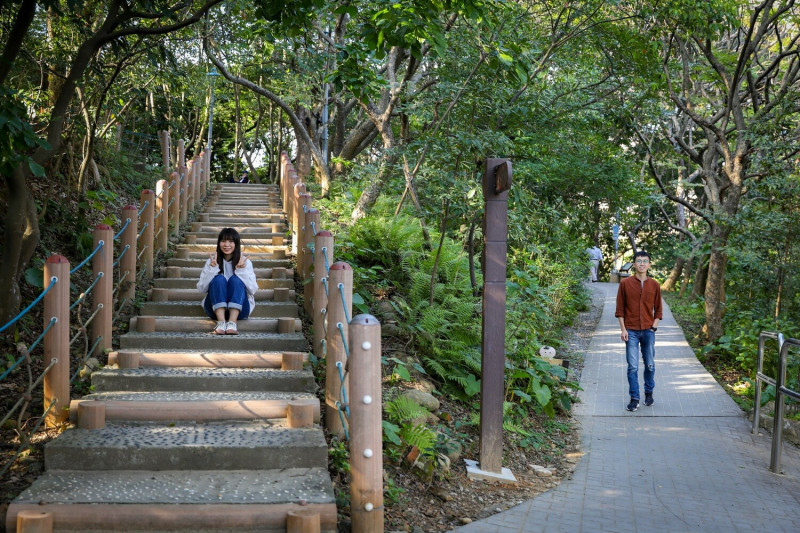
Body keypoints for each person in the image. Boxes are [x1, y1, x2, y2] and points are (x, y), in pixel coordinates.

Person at [615, 250, 663, 412]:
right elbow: (620, 310)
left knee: (649, 365)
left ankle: (649, 393)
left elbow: (659, 309)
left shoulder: (655, 285)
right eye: (639, 261)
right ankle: (634, 398)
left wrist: (654, 326)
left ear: (649, 264)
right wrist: (623, 330)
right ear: (634, 264)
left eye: (645, 261)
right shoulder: (625, 284)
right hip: (631, 331)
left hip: (648, 331)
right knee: (633, 367)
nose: (642, 264)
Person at [197, 228, 258, 335]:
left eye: (231, 241)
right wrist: (212, 270)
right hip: (214, 309)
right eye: (223, 241)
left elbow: (253, 290)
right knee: (219, 279)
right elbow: (201, 289)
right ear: (219, 243)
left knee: (235, 280)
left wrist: (241, 270)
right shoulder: (212, 262)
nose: (226, 245)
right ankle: (221, 322)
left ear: (236, 244)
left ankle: (232, 322)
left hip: (241, 309)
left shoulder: (245, 262)